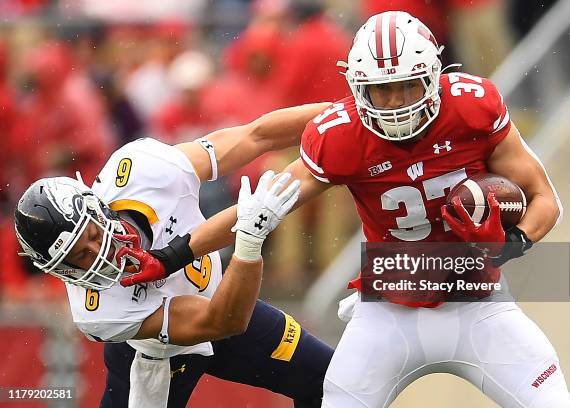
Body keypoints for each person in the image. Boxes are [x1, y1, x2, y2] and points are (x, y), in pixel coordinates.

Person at [132, 11, 570, 407]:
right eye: (382, 92)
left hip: (480, 304)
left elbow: (544, 199)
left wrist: (506, 246)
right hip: (387, 310)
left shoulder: (471, 105)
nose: (396, 104)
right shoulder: (341, 135)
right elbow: (258, 208)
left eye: (407, 86)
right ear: (358, 87)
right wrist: (173, 255)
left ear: (434, 76)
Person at [14, 103, 334, 408]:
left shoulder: (142, 172)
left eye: (94, 235)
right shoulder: (98, 311)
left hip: (221, 296)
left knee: (330, 381)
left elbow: (256, 135)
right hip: (159, 356)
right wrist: (249, 243)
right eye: (80, 256)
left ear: (98, 206)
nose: (101, 255)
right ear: (61, 270)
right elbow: (223, 321)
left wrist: (344, 114)